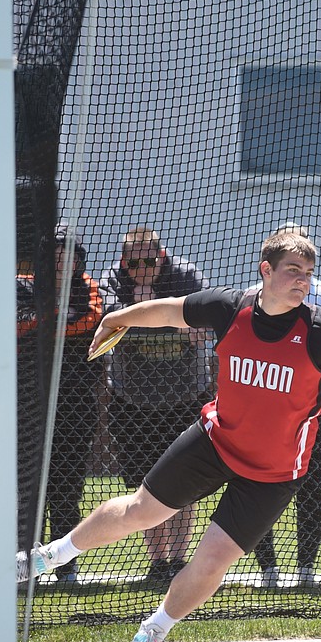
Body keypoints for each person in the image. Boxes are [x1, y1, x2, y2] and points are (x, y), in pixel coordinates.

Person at [16, 230, 321, 642]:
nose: (302, 281)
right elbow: (168, 309)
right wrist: (118, 316)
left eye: (307, 273)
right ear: (266, 270)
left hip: (274, 472)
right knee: (142, 509)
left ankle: (154, 631)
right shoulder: (228, 308)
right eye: (292, 272)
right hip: (216, 440)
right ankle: (50, 555)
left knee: (212, 559)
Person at [102, 225, 209, 584]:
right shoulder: (113, 281)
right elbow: (113, 322)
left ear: (161, 256)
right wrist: (153, 312)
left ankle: (178, 561)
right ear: (124, 262)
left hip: (185, 397)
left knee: (185, 483)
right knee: (146, 485)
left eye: (150, 260)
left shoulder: (185, 275)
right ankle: (158, 562)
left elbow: (199, 325)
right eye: (134, 264)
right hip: (133, 400)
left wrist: (141, 315)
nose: (142, 269)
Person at [16, 224, 104, 584]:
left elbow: (92, 320)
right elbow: (20, 323)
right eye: (54, 252)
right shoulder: (22, 283)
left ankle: (65, 567)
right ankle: (23, 569)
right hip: (30, 402)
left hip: (77, 402)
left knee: (67, 488)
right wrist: (54, 314)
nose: (61, 259)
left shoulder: (89, 287)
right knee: (29, 488)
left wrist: (48, 317)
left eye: (68, 252)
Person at [251, 223, 321, 587]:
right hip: (263, 408)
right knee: (256, 484)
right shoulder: (255, 295)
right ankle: (267, 567)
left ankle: (306, 567)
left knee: (315, 485)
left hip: (313, 407)